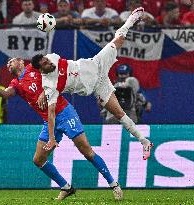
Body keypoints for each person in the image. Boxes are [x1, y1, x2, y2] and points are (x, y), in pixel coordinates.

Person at [0, 58, 123, 201]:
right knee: (38, 159)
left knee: (87, 152)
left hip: (64, 113)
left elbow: (57, 73)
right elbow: (5, 94)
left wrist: (44, 92)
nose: (8, 64)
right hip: (49, 121)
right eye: (7, 63)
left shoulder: (34, 68)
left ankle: (113, 185)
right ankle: (66, 187)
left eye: (11, 61)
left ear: (21, 62)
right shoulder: (16, 83)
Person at [31, 7, 153, 160]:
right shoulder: (50, 85)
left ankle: (132, 19)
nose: (49, 62)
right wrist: (51, 137)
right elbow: (50, 114)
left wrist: (42, 91)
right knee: (119, 114)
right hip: (97, 86)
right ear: (42, 70)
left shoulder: (52, 57)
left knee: (118, 39)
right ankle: (145, 141)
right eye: (45, 63)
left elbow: (44, 57)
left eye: (47, 59)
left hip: (96, 64)